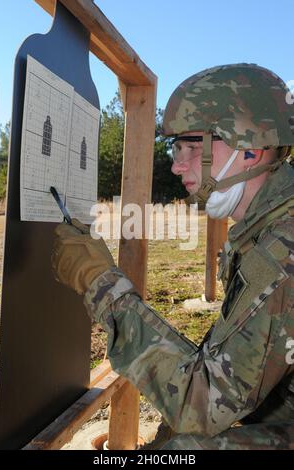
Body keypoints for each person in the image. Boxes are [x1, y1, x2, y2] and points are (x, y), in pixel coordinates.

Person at [52, 64, 294, 450]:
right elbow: (221, 366)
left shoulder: (282, 251)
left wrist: (101, 285)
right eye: (176, 148)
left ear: (252, 147)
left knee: (184, 449)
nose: (177, 165)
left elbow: (203, 402)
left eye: (194, 147)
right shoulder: (267, 225)